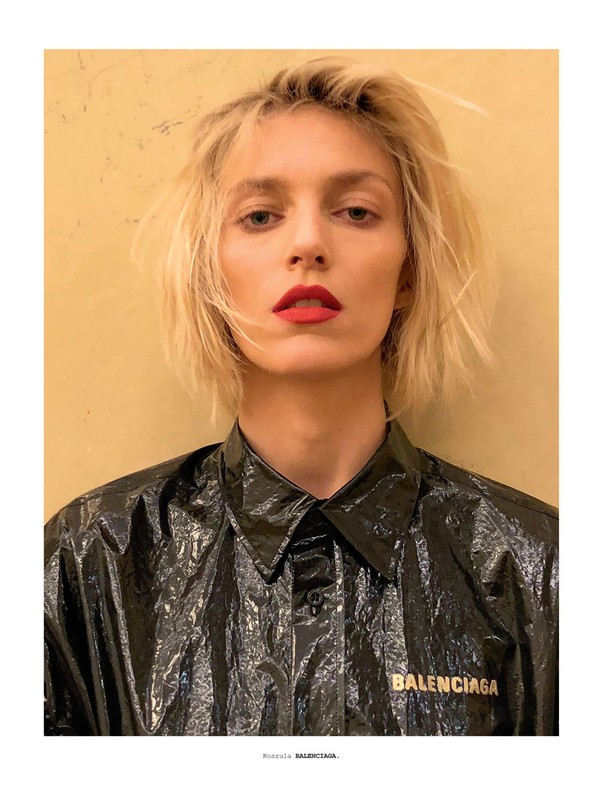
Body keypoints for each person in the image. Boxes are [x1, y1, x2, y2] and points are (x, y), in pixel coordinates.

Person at [44, 57, 558, 736]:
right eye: (260, 216)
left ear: (408, 268)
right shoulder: (92, 563)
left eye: (356, 211)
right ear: (209, 269)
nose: (309, 243)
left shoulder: (537, 573)